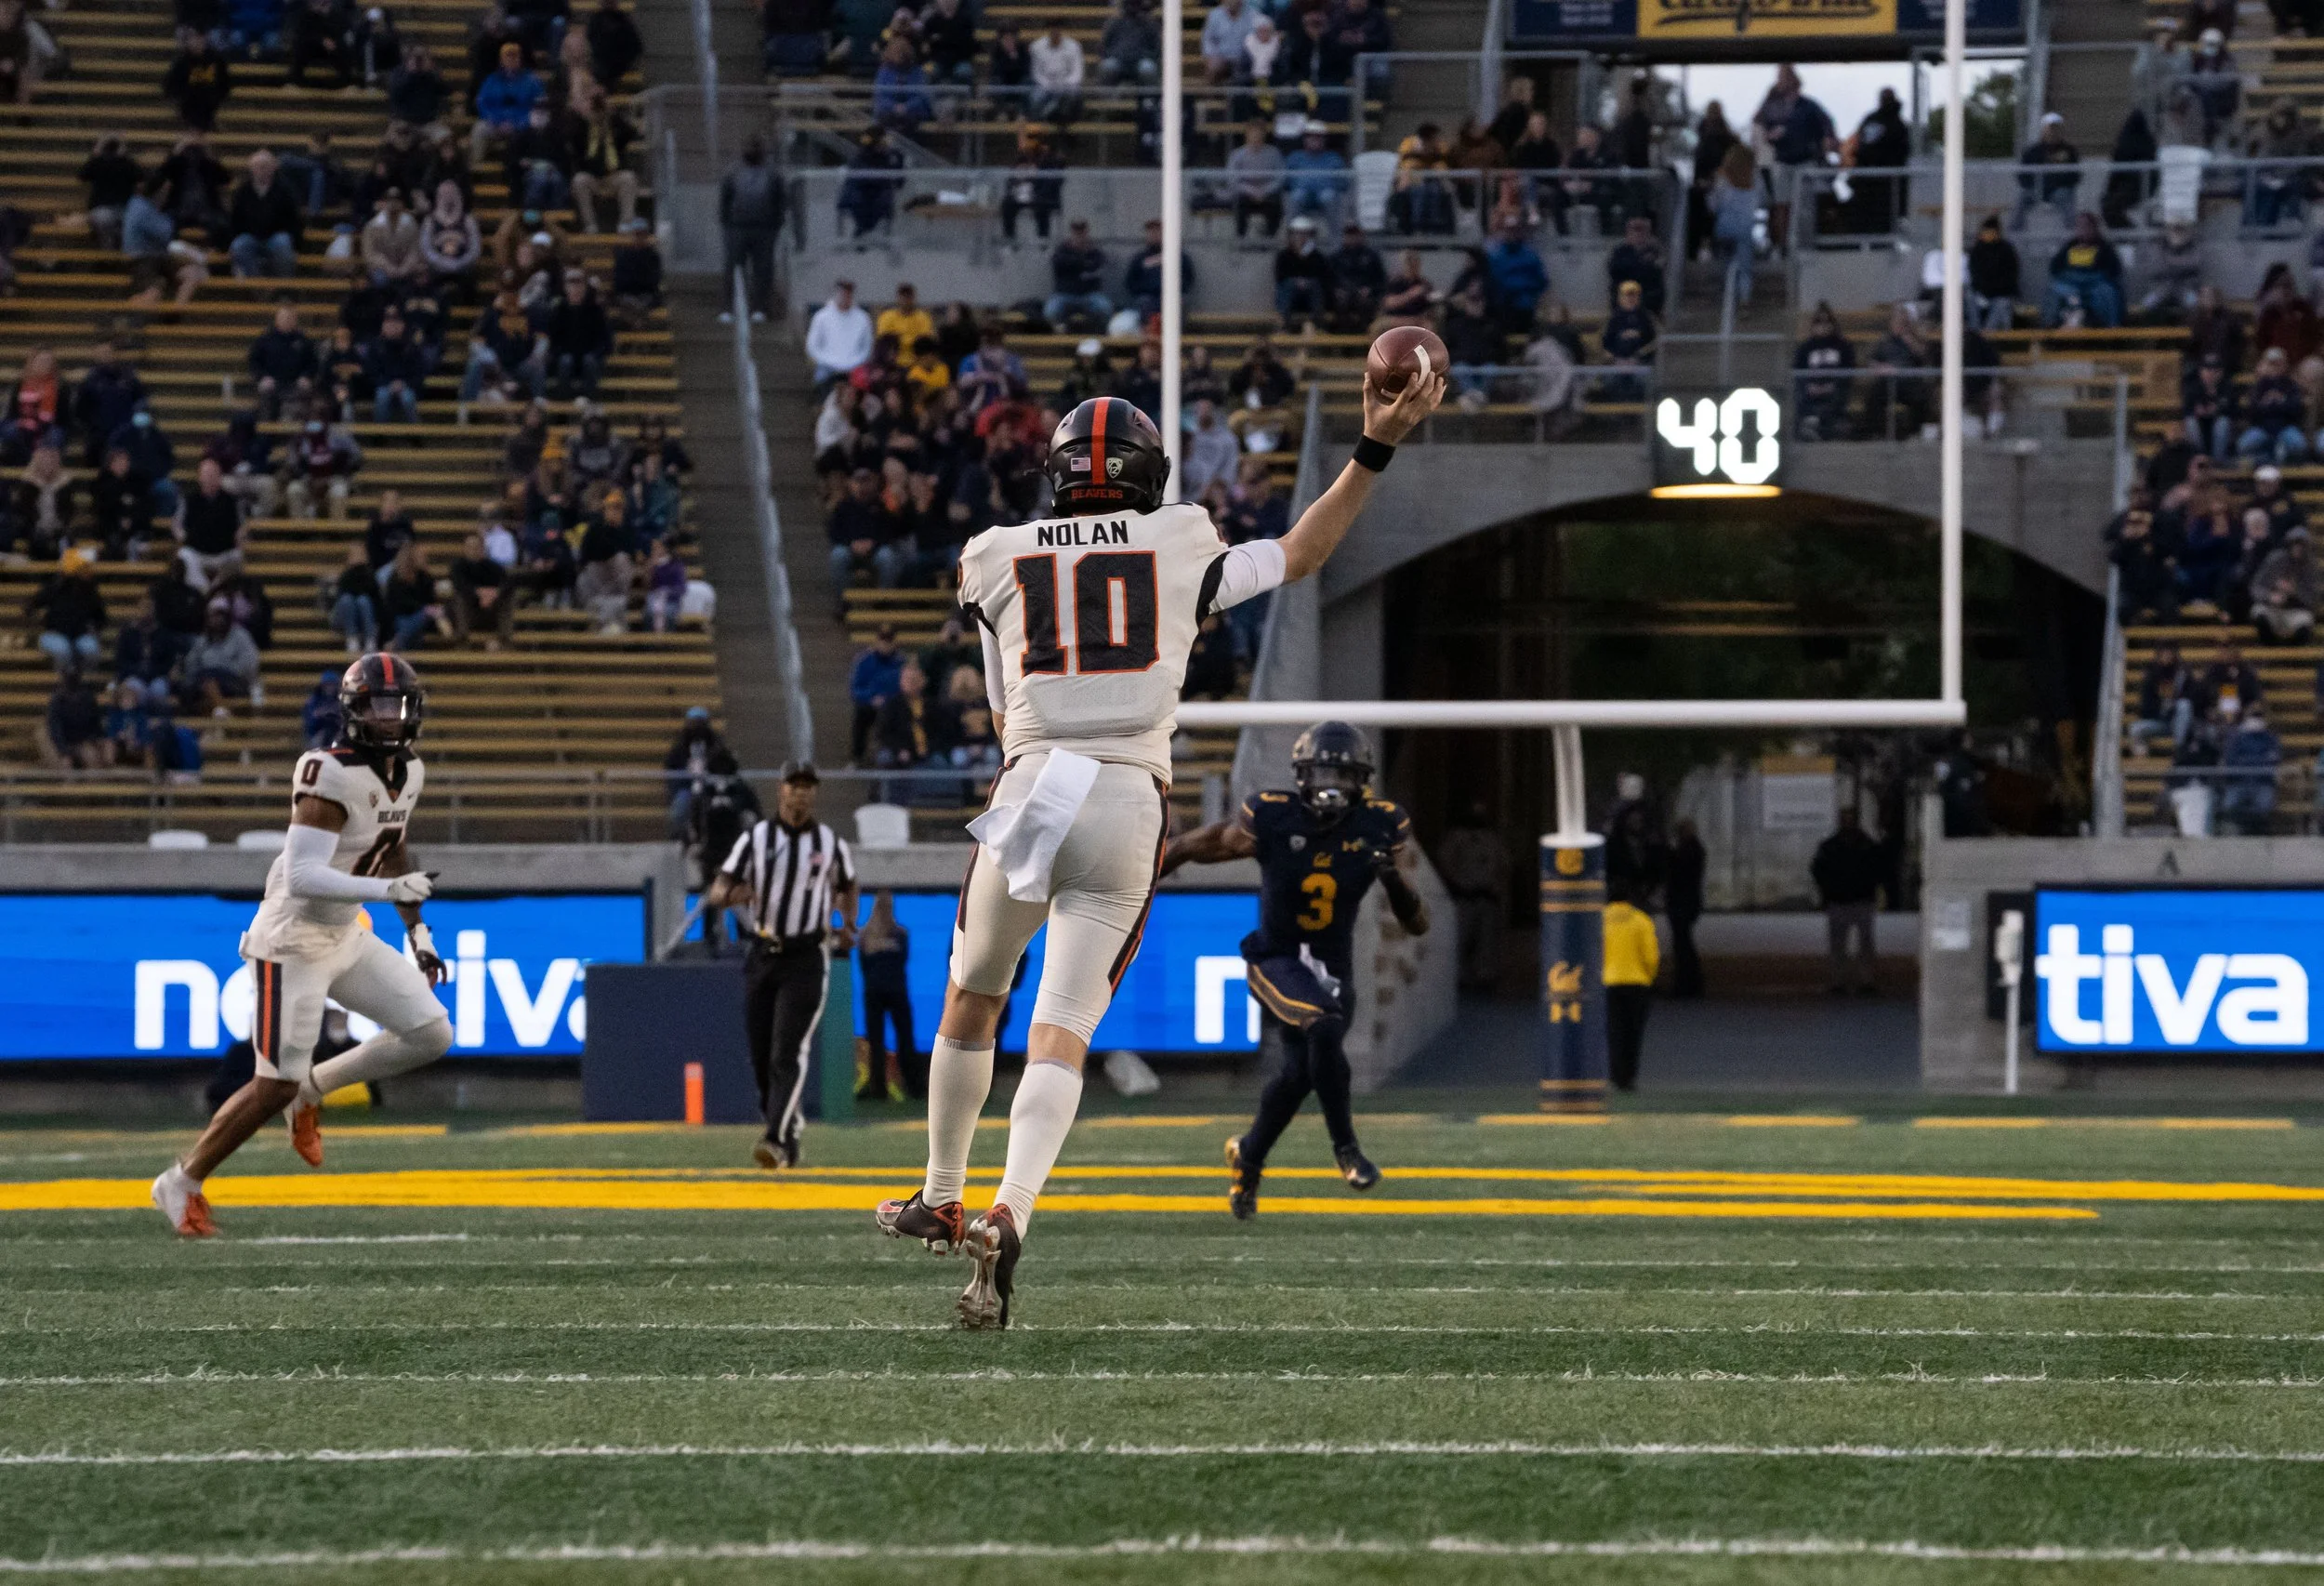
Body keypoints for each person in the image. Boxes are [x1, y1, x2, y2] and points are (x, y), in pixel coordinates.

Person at [872, 368, 1446, 1329]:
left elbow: (999, 681)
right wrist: (1374, 445)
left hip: (1032, 783)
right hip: (1127, 799)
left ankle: (941, 1189)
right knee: (1061, 1026)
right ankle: (1010, 1206)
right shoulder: (1181, 538)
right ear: (1150, 476)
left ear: (1058, 475)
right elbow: (1302, 551)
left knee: (974, 1000)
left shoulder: (994, 553)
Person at [150, 656, 452, 1237]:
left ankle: (313, 1092)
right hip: (293, 938)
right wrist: (387, 890)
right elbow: (304, 874)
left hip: (345, 932)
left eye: (399, 705)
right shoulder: (326, 771)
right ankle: (182, 1180)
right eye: (378, 705)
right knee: (272, 1084)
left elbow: (393, 848)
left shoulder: (409, 771)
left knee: (431, 1032)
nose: (390, 718)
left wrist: (419, 933)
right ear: (353, 709)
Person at [1160, 722, 1429, 1216]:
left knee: (1300, 1073)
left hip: (1332, 970)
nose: (1332, 784)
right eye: (1322, 772)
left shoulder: (1380, 825)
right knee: (1322, 1026)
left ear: (1362, 779)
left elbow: (1416, 924)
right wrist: (1152, 868)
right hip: (1275, 958)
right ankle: (1347, 1150)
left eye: (1342, 774)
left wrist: (1390, 878)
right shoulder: (1274, 816)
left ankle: (1248, 1157)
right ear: (1301, 775)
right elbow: (1211, 841)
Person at [703, 763, 859, 1170]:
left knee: (786, 1051)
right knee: (760, 1053)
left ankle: (773, 1138)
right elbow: (720, 884)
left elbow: (848, 884)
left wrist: (847, 924)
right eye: (794, 785)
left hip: (806, 956)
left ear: (814, 794)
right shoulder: (756, 838)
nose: (801, 793)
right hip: (763, 953)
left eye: (808, 786)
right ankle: (787, 1133)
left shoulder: (829, 842)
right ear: (780, 790)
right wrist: (729, 895)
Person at [1433, 800, 1506, 992]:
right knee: (1460, 938)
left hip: (1486, 895)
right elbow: (1445, 863)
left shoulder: (1492, 839)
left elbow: (1503, 866)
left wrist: (1496, 888)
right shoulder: (1455, 837)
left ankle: (1485, 975)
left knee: (1487, 939)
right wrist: (1457, 885)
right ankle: (1459, 977)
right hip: (1463, 896)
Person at [1810, 806, 1882, 997]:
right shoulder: (1833, 846)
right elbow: (1818, 870)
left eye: (1850, 818)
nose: (1848, 822)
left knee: (1863, 944)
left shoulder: (1865, 845)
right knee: (1838, 945)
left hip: (1859, 901)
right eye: (1845, 818)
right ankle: (1838, 981)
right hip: (1842, 901)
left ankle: (1865, 981)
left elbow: (1878, 870)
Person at [718, 136, 786, 324]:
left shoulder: (773, 174)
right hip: (736, 227)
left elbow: (780, 201)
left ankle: (760, 308)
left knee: (763, 270)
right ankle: (728, 308)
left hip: (765, 229)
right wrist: (726, 225)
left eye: (756, 147)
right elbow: (725, 200)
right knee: (733, 268)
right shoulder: (733, 172)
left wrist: (776, 225)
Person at [1603, 882, 1659, 1092]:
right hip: (1637, 983)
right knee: (1633, 1033)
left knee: (1614, 1031)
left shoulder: (1600, 920)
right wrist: (1649, 977)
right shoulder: (1641, 920)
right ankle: (1630, 1075)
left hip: (1609, 982)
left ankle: (1616, 1074)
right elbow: (1651, 956)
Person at [227, 150, 304, 280]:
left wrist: (296, 243)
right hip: (251, 236)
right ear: (251, 168)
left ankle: (284, 287)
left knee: (283, 244)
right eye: (257, 166)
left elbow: (294, 219)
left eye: (265, 166)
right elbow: (235, 219)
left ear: (274, 167)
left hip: (276, 236)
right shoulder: (242, 191)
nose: (261, 169)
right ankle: (258, 286)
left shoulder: (285, 191)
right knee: (239, 246)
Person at [2046, 212, 2123, 328]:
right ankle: (2050, 327)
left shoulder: (2104, 248)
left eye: (2087, 226)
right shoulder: (2068, 247)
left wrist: (2094, 277)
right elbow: (2055, 268)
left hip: (2096, 285)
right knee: (2055, 290)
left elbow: (2114, 270)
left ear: (2094, 228)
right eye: (2079, 226)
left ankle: (2109, 327)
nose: (2083, 230)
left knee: (2107, 292)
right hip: (2070, 284)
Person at [2014, 111, 2081, 231]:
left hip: (2059, 191)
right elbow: (2022, 175)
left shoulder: (2069, 151)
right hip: (2035, 190)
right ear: (2043, 129)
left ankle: (2073, 236)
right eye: (2050, 128)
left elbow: (2075, 175)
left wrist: (2059, 182)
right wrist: (2034, 185)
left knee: (2066, 200)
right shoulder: (2032, 151)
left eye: (2056, 128)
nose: (2053, 131)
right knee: (2021, 200)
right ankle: (2014, 236)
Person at [1664, 816, 1706, 998]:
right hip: (1687, 901)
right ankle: (1690, 983)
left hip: (1683, 902)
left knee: (1683, 945)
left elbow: (1679, 872)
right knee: (1683, 943)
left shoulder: (1690, 851)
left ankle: (1687, 984)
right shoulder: (1695, 849)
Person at [1045, 218, 1110, 328]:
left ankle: (1097, 331)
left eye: (1082, 232)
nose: (1079, 235)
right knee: (1051, 311)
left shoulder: (1094, 251)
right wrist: (1082, 262)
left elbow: (1098, 265)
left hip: (1089, 295)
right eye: (1076, 232)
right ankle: (1060, 333)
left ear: (1086, 233)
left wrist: (1073, 265)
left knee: (1105, 308)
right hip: (1065, 294)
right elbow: (1058, 262)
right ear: (1072, 233)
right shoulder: (1061, 250)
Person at [805, 280, 874, 385]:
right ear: (836, 293)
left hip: (855, 367)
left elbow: (867, 348)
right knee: (821, 378)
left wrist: (855, 363)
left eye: (848, 293)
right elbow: (812, 347)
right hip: (827, 367)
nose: (845, 296)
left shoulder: (863, 318)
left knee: (865, 381)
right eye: (843, 292)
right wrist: (828, 362)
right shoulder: (821, 317)